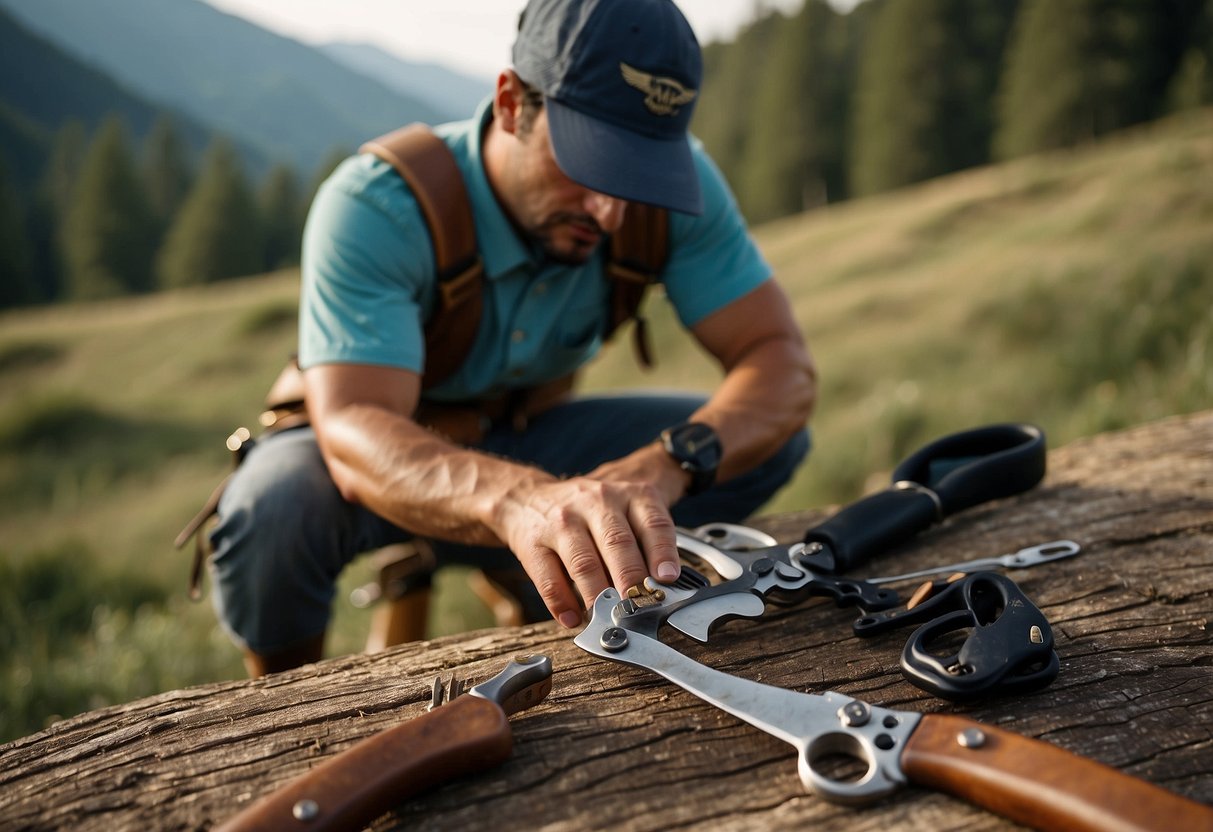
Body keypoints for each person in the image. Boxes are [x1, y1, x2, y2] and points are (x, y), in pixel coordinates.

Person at [208, 0, 818, 677]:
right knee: (272, 508)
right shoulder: (377, 204)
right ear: (509, 103)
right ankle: (280, 708)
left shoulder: (677, 195)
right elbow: (354, 423)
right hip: (374, 460)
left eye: (638, 174)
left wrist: (665, 465)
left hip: (529, 437)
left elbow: (781, 366)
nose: (611, 212)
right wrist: (515, 501)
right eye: (592, 165)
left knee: (761, 442)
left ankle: (556, 602)